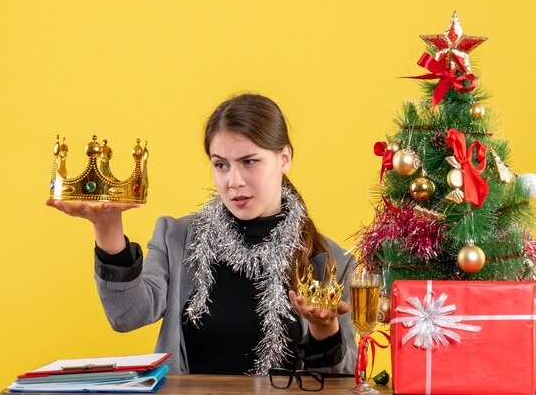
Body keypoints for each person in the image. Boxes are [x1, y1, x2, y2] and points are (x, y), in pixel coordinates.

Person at [46, 93, 356, 375]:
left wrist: (324, 331)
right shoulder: (178, 237)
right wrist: (108, 229)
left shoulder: (329, 261)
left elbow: (343, 378)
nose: (234, 181)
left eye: (249, 162)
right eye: (221, 165)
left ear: (284, 158)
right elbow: (128, 315)